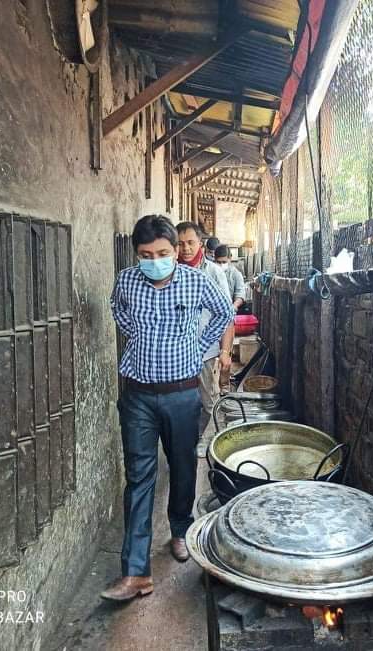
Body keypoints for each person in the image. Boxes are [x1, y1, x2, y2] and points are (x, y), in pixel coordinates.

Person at [101, 215, 233, 602]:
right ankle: (135, 572)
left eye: (162, 253)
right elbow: (116, 308)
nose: (154, 260)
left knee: (182, 465)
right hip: (138, 395)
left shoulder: (196, 281)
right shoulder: (127, 281)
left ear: (175, 251)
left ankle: (179, 528)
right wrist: (138, 334)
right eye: (146, 255)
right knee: (139, 477)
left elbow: (224, 313)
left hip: (182, 393)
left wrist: (198, 348)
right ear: (136, 255)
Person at [175, 222, 234, 456]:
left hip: (205, 351)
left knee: (208, 401)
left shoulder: (214, 272)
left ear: (201, 243)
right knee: (179, 401)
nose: (186, 248)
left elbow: (227, 314)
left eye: (191, 243)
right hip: (175, 351)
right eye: (180, 244)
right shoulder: (170, 271)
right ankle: (182, 441)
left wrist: (225, 351)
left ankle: (200, 437)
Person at [214, 245, 248, 393]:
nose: (221, 264)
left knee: (225, 353)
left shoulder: (236, 275)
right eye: (218, 262)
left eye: (223, 261)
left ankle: (224, 385)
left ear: (230, 259)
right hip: (211, 320)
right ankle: (212, 386)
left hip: (227, 320)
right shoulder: (211, 272)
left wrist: (232, 307)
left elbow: (240, 295)